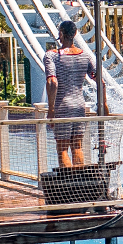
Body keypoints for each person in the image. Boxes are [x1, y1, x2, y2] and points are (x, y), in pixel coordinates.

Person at [44, 20, 96, 168]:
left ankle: (67, 185)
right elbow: (101, 81)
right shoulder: (85, 56)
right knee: (77, 146)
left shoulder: (52, 56)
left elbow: (52, 82)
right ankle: (80, 184)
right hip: (79, 106)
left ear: (60, 34)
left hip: (62, 106)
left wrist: (51, 109)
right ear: (75, 34)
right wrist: (103, 103)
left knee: (62, 149)